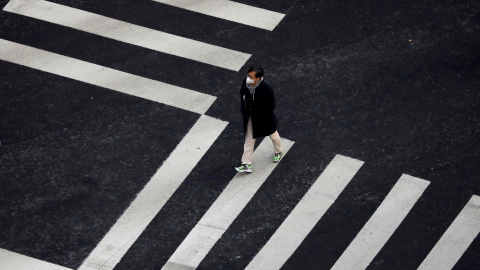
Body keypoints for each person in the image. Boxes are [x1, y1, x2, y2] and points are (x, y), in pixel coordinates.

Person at [235, 66, 283, 173]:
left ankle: (278, 151)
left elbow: (271, 105)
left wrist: (263, 115)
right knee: (249, 139)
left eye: (251, 76)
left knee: (273, 134)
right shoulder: (245, 83)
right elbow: (242, 94)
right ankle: (246, 164)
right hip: (250, 117)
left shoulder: (266, 89)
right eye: (248, 75)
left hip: (264, 118)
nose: (248, 78)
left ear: (258, 78)